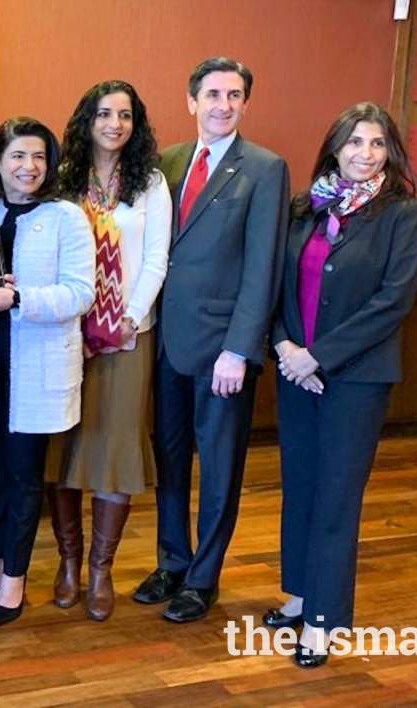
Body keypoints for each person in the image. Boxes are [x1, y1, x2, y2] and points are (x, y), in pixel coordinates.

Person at [268, 102, 417, 668]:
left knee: (336, 497)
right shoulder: (304, 207)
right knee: (301, 488)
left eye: (378, 144)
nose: (366, 154)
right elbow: (277, 284)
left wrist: (319, 358)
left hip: (356, 380)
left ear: (390, 152)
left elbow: (393, 302)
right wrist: (287, 347)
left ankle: (323, 621)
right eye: (356, 142)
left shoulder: (406, 214)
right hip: (295, 372)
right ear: (335, 147)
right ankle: (298, 596)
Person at [135, 57, 289, 623]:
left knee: (219, 466)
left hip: (223, 349)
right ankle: (171, 561)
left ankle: (203, 577)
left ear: (245, 103)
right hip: (167, 343)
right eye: (213, 93)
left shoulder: (265, 169)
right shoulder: (168, 162)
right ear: (191, 101)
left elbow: (263, 267)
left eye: (235, 94)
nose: (223, 104)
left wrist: (240, 348)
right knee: (170, 458)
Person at [45, 81, 171, 622]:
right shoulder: (63, 179)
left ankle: (101, 569)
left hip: (126, 336)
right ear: (86, 120)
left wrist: (126, 317)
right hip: (67, 333)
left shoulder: (151, 183)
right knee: (64, 449)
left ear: (136, 124)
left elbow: (157, 259)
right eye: (103, 113)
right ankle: (68, 563)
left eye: (125, 115)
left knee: (114, 453)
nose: (114, 123)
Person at [0, 118, 94, 625]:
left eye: (39, 157)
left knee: (23, 476)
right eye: (17, 156)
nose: (29, 167)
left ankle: (15, 580)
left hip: (36, 364)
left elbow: (80, 293)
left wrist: (19, 296)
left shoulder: (67, 216)